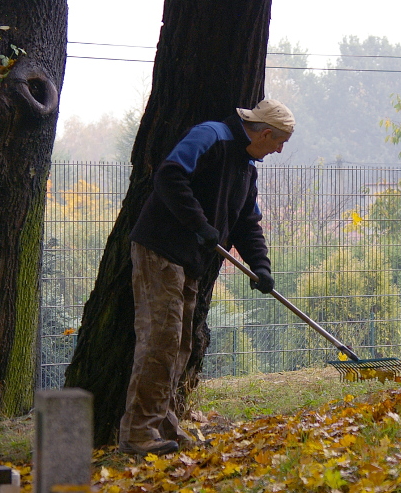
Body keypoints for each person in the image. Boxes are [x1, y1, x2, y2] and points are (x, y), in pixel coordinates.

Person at [118, 99, 295, 456]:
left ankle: (165, 425)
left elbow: (248, 223)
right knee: (161, 341)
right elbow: (169, 176)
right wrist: (200, 225)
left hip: (191, 261)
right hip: (160, 250)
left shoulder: (246, 168)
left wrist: (261, 268)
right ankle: (138, 433)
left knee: (180, 345)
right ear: (265, 133)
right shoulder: (210, 135)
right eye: (279, 143)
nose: (278, 150)